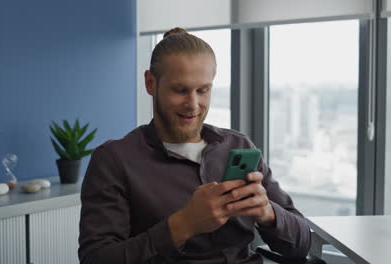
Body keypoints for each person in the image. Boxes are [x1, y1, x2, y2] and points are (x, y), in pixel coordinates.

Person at [79, 27, 311, 264]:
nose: (193, 104)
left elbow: (302, 243)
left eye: (203, 90)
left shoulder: (237, 145)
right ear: (150, 83)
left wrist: (267, 212)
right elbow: (96, 259)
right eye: (180, 90)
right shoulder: (114, 160)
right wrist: (183, 225)